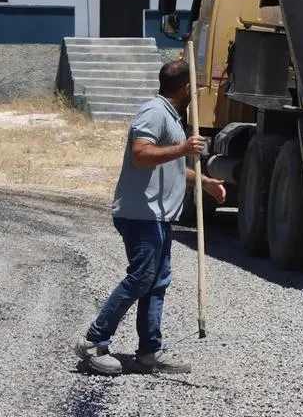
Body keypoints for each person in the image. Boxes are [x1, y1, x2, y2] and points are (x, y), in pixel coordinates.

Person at [71, 59, 227, 375]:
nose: (197, 93)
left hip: (157, 215)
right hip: (142, 214)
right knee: (142, 278)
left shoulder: (170, 117)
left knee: (156, 282)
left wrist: (204, 182)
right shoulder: (154, 112)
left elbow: (167, 165)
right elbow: (141, 155)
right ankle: (92, 341)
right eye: (194, 88)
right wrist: (183, 148)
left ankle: (148, 351)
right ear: (185, 88)